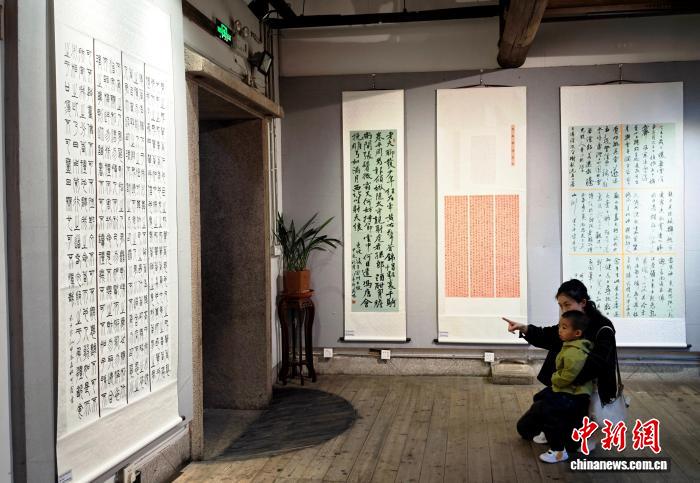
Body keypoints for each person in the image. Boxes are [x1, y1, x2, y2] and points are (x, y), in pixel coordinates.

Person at [503, 279, 618, 454]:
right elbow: (549, 335)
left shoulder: (603, 327)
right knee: (533, 417)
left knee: (576, 427)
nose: (563, 310)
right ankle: (554, 431)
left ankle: (576, 438)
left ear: (583, 302)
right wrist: (524, 329)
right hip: (566, 382)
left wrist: (565, 380)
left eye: (567, 304)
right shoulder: (570, 321)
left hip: (587, 386)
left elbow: (598, 363)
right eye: (560, 305)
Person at [515, 311, 593, 463]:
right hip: (566, 390)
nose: (559, 331)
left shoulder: (575, 353)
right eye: (560, 327)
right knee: (540, 398)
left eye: (564, 328)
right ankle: (547, 433)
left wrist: (554, 378)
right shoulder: (570, 345)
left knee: (551, 414)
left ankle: (558, 450)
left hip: (571, 394)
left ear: (577, 333)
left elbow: (566, 377)